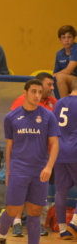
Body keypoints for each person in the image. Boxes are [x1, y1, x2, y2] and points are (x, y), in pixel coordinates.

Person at [0, 79, 60, 244]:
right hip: (19, 169)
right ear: (25, 92)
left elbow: (54, 144)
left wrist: (49, 167)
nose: (37, 95)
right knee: (13, 210)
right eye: (33, 91)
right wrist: (8, 173)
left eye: (39, 92)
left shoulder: (48, 116)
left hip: (40, 170)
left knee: (35, 211)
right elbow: (9, 147)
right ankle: (1, 236)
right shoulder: (11, 117)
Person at [10, 72, 56, 237]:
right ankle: (16, 223)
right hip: (23, 157)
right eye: (49, 85)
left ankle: (35, 223)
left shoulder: (52, 103)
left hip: (44, 157)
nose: (52, 88)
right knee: (20, 193)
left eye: (52, 85)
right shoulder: (21, 102)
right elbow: (14, 126)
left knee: (37, 193)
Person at [52, 79, 77, 240]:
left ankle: (62, 230)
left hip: (59, 150)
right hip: (75, 150)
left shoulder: (59, 102)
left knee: (61, 191)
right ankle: (74, 224)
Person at [53, 25, 77, 98]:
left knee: (60, 77)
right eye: (63, 37)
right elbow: (55, 74)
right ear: (60, 40)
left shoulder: (76, 49)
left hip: (75, 80)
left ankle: (63, 104)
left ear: (74, 38)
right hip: (70, 83)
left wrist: (48, 76)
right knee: (53, 80)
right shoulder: (59, 54)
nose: (66, 40)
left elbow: (68, 71)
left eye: (69, 37)